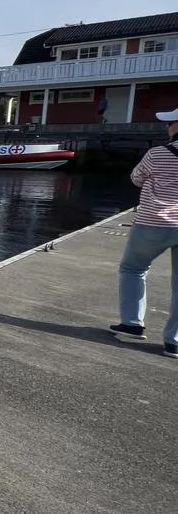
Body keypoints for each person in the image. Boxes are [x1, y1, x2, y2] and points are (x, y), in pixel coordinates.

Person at [111, 106, 178, 358]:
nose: (167, 127)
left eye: (171, 123)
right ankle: (174, 341)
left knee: (133, 269)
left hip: (153, 222)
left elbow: (136, 178)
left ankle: (132, 324)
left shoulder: (157, 153)